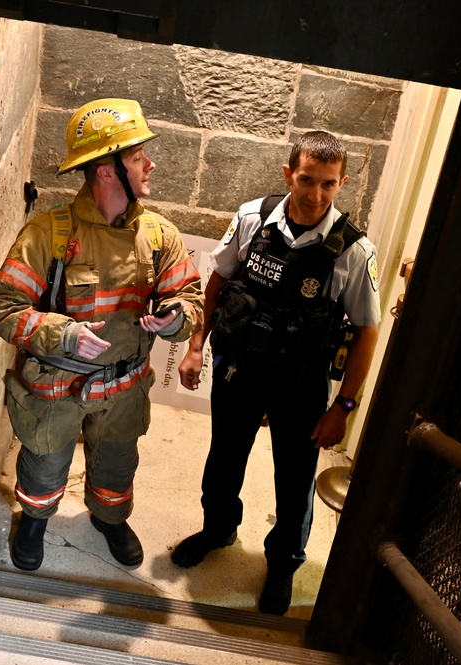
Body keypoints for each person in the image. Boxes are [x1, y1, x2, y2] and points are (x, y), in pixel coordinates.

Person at [0, 98, 204, 572]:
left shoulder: (160, 236)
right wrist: (62, 334)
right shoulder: (49, 233)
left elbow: (190, 298)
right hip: (57, 387)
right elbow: (1, 306)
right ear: (107, 170)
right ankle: (37, 519)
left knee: (117, 464)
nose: (151, 163)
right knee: (43, 463)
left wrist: (175, 320)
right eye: (138, 155)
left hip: (124, 387)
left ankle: (109, 518)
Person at [172, 130, 381, 614]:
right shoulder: (253, 218)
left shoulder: (353, 251)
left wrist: (343, 407)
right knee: (224, 458)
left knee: (295, 479)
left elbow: (367, 333)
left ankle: (284, 562)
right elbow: (219, 280)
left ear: (342, 183)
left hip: (301, 383)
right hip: (240, 366)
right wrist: (196, 344)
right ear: (288, 173)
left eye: (329, 184)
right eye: (307, 180)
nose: (316, 195)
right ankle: (218, 528)